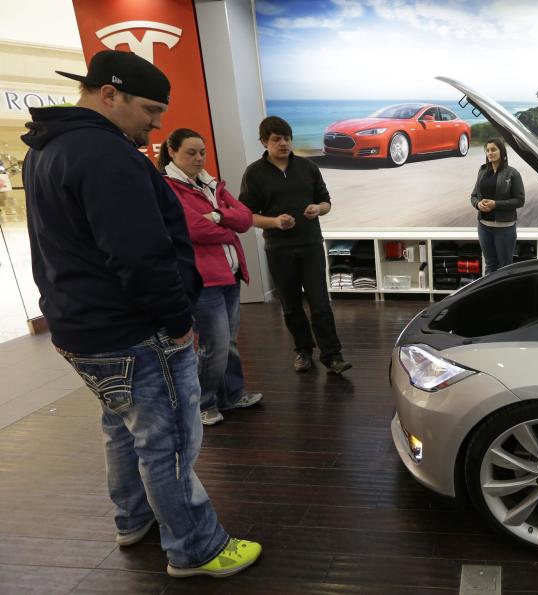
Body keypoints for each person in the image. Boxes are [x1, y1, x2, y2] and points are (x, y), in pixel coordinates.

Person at [20, 50, 260, 578]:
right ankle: (195, 548)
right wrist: (178, 323)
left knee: (122, 427)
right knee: (169, 441)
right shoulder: (106, 155)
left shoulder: (47, 149)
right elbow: (140, 254)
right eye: (150, 109)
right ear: (109, 94)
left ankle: (133, 518)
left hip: (81, 327)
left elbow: (48, 249)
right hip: (133, 330)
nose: (157, 123)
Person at [159, 128, 262, 426]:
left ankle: (232, 395)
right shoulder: (169, 187)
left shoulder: (210, 183)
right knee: (214, 344)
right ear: (172, 151)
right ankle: (204, 404)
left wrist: (219, 216)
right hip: (204, 281)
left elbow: (244, 216)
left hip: (230, 274)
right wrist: (228, 223)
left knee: (227, 341)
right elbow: (192, 229)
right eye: (191, 152)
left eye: (202, 152)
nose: (199, 158)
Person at [239, 116, 352, 374]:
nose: (283, 144)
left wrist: (318, 209)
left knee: (320, 302)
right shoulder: (254, 173)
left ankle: (332, 356)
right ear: (263, 142)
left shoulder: (308, 167)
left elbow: (326, 202)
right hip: (279, 249)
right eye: (276, 139)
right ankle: (303, 351)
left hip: (311, 244)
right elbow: (246, 215)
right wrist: (274, 222)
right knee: (290, 305)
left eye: (287, 138)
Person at [470, 137, 525, 275]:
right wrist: (478, 204)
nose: (490, 153)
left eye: (493, 149)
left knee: (505, 267)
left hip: (505, 228)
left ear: (502, 151)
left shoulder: (513, 173)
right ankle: (490, 295)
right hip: (483, 226)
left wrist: (496, 204)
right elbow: (473, 196)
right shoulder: (482, 171)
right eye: (487, 150)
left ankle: (505, 296)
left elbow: (520, 200)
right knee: (490, 265)